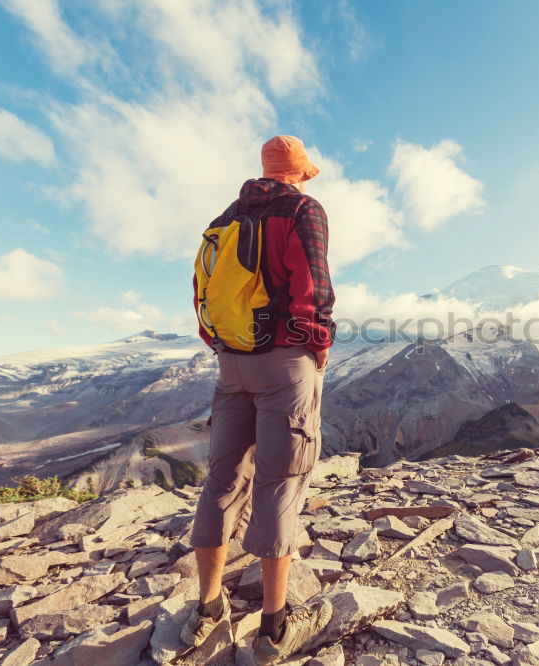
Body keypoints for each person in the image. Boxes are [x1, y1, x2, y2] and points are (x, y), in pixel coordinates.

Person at [182, 135, 336, 664]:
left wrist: (228, 347)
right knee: (279, 481)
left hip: (232, 362)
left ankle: (207, 608)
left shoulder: (226, 217)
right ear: (299, 172)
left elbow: (201, 292)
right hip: (283, 361)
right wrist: (313, 349)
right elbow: (313, 289)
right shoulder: (302, 209)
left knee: (222, 479)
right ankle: (273, 627)